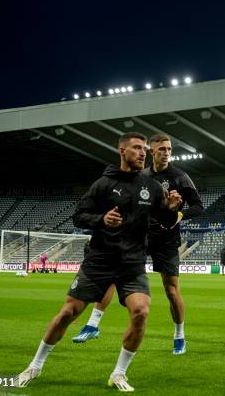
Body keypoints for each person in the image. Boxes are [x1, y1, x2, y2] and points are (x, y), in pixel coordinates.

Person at [14, 132, 183, 391]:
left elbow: (165, 221)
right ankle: (34, 366)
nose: (143, 153)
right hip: (100, 261)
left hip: (132, 263)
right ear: (122, 151)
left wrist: (170, 208)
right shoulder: (103, 184)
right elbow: (79, 216)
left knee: (141, 312)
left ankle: (118, 374)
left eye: (145, 150)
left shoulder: (151, 187)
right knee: (68, 313)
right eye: (137, 148)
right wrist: (101, 219)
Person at [72, 133, 203, 356]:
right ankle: (92, 325)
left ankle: (179, 336)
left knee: (171, 290)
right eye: (161, 149)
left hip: (166, 240)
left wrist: (178, 214)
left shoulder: (180, 177)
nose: (166, 153)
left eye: (169, 149)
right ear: (151, 151)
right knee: (113, 278)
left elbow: (198, 206)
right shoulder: (140, 174)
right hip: (137, 238)